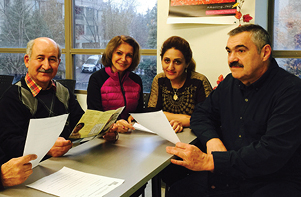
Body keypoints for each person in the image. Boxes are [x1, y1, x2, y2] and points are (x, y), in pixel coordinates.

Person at [165, 24, 301, 196]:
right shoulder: (230, 83)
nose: (231, 59)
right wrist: (211, 139)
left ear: (265, 52)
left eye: (241, 51)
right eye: (229, 51)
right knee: (178, 191)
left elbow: (271, 152)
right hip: (229, 174)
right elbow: (201, 114)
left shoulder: (290, 90)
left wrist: (212, 161)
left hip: (273, 179)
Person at [0, 37, 118, 163]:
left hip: (67, 162)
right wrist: (46, 148)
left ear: (58, 62)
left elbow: (80, 124)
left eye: (52, 59)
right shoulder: (12, 97)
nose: (46, 65)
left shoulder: (63, 92)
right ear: (27, 61)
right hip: (34, 169)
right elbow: (8, 142)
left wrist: (105, 131)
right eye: (40, 58)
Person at [147, 36, 212, 132]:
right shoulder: (159, 79)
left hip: (196, 136)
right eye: (167, 60)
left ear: (187, 63)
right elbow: (152, 114)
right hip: (165, 135)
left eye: (177, 62)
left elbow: (207, 118)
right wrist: (184, 119)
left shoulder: (199, 81)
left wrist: (181, 121)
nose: (170, 67)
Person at [87, 35, 143, 133]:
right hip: (105, 134)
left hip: (131, 134)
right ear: (111, 53)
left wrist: (134, 118)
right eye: (119, 53)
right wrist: (115, 124)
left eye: (129, 55)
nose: (123, 59)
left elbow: (139, 112)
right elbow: (94, 115)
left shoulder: (136, 80)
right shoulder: (96, 79)